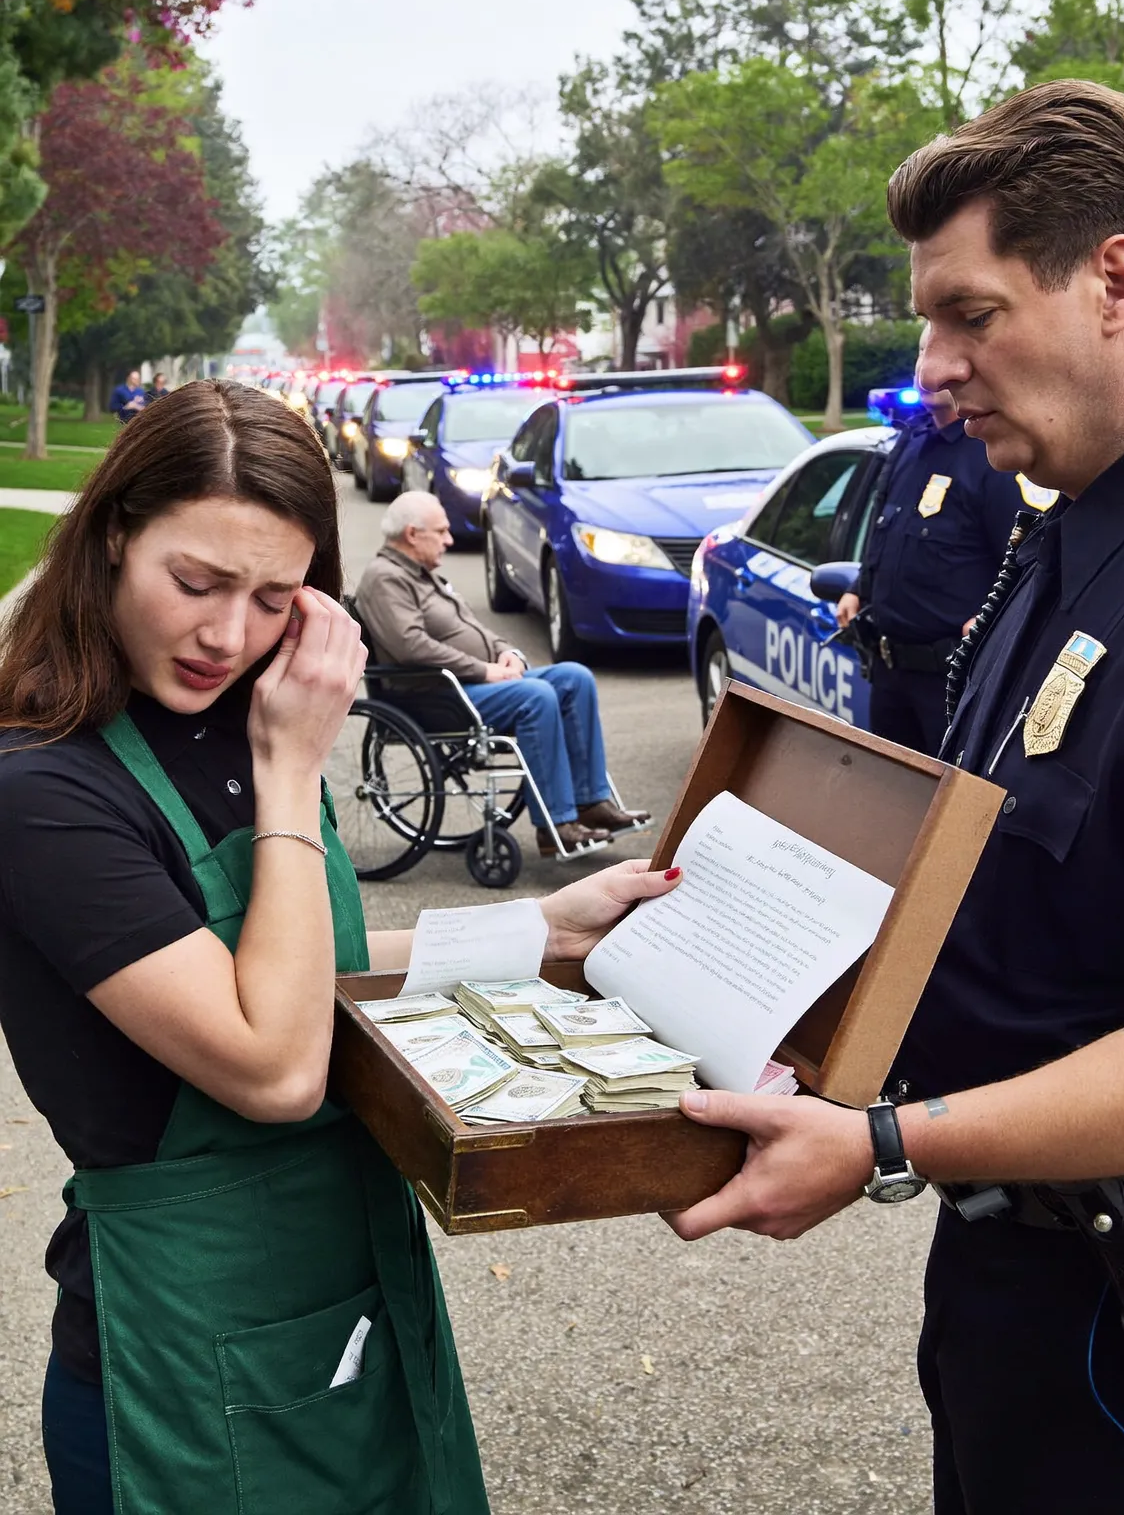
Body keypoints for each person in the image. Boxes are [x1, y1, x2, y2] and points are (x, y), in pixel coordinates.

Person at [0, 381, 680, 1514]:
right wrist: (291, 770)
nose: (229, 635)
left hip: (348, 1307)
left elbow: (302, 957)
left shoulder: (244, 711)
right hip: (182, 1350)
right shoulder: (45, 790)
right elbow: (273, 1063)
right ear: (115, 536)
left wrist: (543, 930)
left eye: (274, 596)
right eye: (195, 583)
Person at [664, 80, 1124, 1514]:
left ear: (1117, 281)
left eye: (971, 313)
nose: (932, 364)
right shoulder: (1058, 534)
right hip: (1015, 1274)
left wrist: (881, 1144)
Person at [355, 491, 650, 856]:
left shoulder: (421, 574)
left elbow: (472, 628)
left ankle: (591, 802)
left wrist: (507, 652)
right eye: (442, 531)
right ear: (412, 534)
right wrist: (485, 670)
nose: (449, 540)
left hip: (470, 684)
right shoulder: (386, 578)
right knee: (536, 697)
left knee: (575, 678)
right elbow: (411, 647)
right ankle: (555, 824)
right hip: (433, 696)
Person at [837, 335, 1048, 754]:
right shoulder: (910, 443)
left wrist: (994, 622)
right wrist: (859, 588)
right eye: (922, 350)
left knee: (948, 811)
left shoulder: (992, 456)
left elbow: (1028, 562)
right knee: (892, 802)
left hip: (952, 682)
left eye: (945, 349)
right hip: (887, 669)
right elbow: (884, 531)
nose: (929, 365)